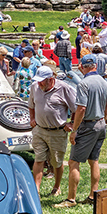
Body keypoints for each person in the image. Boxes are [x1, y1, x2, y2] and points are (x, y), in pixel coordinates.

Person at [54, 55, 107, 208]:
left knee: (73, 161)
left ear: (83, 66)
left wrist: (74, 130)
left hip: (88, 126)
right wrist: (104, 120)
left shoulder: (83, 84)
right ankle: (93, 196)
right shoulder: (104, 82)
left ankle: (71, 199)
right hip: (101, 123)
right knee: (94, 161)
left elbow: (81, 108)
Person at [28, 65, 76, 198]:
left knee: (56, 162)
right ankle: (36, 190)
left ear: (51, 79)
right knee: (39, 159)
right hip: (39, 130)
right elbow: (31, 105)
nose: (39, 83)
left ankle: (57, 187)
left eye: (42, 80)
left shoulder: (64, 88)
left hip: (57, 132)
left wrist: (71, 123)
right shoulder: (34, 87)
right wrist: (32, 118)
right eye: (38, 80)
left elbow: (76, 109)